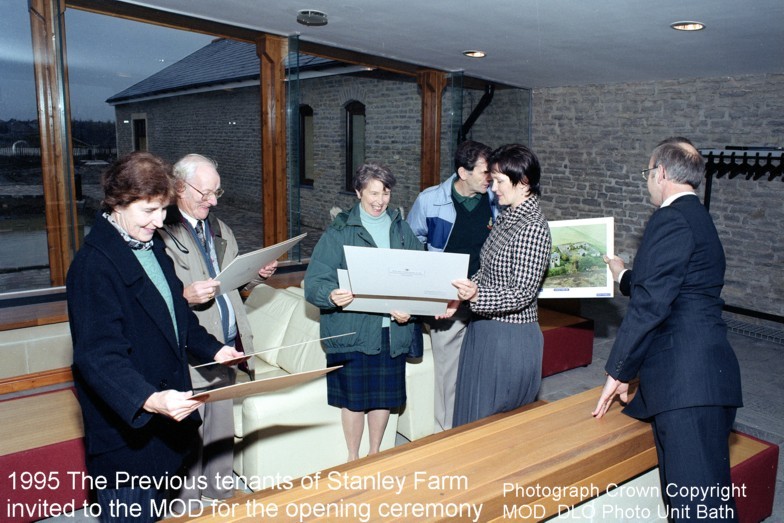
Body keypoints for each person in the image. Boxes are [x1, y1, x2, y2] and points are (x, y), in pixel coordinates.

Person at [66, 152, 245, 522]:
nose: (159, 221)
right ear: (117, 203)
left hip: (162, 424)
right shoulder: (93, 265)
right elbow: (98, 356)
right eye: (149, 211)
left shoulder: (153, 249)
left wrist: (217, 350)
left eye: (163, 209)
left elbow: (179, 320)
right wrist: (148, 399)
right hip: (126, 428)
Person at [593, 138, 742, 521]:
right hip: (707, 373)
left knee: (697, 509)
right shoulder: (698, 217)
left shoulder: (670, 218)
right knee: (703, 501)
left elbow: (651, 304)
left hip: (687, 381)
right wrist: (622, 273)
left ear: (660, 173)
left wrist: (618, 370)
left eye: (648, 173)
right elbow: (671, 285)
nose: (647, 181)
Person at [161, 153, 277, 502]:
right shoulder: (161, 233)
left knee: (220, 432)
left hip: (226, 344)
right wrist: (184, 294)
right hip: (191, 349)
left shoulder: (219, 229)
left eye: (216, 193)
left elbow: (235, 287)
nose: (212, 201)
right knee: (189, 434)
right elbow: (152, 298)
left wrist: (256, 275)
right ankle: (186, 504)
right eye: (205, 192)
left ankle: (221, 496)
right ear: (180, 187)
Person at [304, 163, 423, 461]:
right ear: (358, 192)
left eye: (386, 192)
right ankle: (353, 457)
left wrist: (410, 309)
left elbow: (421, 275)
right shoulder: (339, 231)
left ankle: (374, 453)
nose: (380, 200)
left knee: (384, 396)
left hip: (390, 332)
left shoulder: (401, 228)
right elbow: (315, 283)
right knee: (354, 400)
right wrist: (330, 294)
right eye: (373, 192)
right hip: (353, 329)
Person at [450, 144, 552, 426]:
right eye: (492, 180)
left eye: (499, 181)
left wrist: (477, 295)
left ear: (524, 182)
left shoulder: (532, 226)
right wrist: (461, 295)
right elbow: (486, 270)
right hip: (485, 330)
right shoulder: (509, 216)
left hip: (510, 338)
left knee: (494, 423)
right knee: (474, 413)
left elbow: (521, 293)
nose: (493, 188)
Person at [407, 140, 498, 432]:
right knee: (447, 377)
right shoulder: (430, 200)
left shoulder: (498, 200)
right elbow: (410, 245)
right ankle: (445, 436)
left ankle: (478, 428)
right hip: (447, 303)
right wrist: (429, 290)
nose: (491, 178)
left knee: (484, 369)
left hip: (485, 297)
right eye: (485, 172)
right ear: (463, 172)